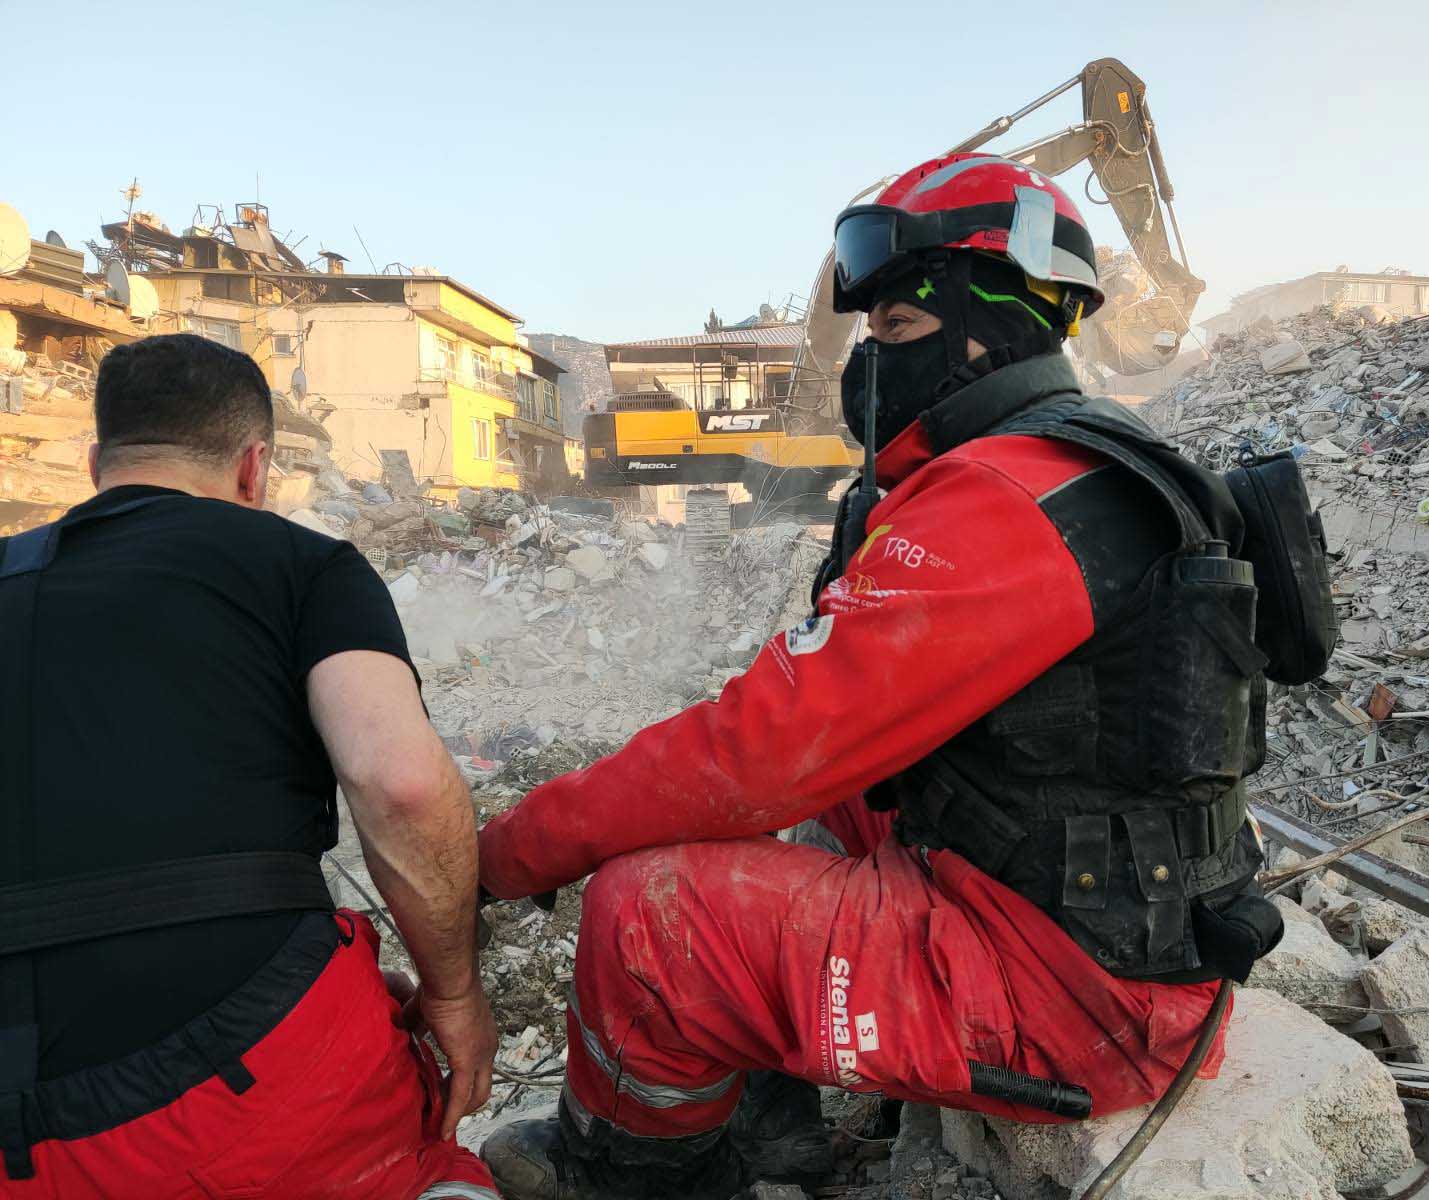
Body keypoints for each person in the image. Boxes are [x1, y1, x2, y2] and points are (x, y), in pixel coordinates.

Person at [476, 155, 1282, 1200]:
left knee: (646, 914)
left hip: (1076, 1000)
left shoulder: (1004, 497)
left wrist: (516, 852)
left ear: (987, 333)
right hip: (1107, 924)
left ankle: (634, 1173)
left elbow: (761, 749)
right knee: (824, 809)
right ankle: (778, 1133)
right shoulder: (1080, 464)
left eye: (895, 331)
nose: (868, 366)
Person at [0, 334, 498, 1199]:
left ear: (95, 464)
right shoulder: (302, 565)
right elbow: (403, 785)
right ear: (253, 469)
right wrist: (454, 995)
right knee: (425, 1159)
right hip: (244, 1088)